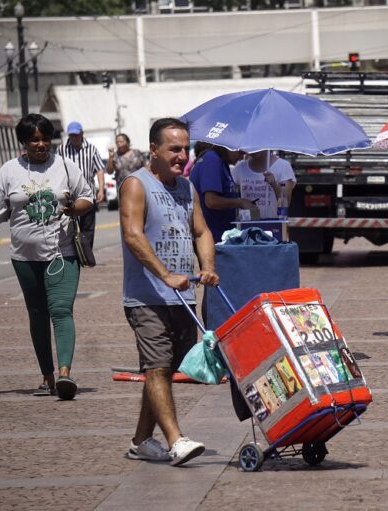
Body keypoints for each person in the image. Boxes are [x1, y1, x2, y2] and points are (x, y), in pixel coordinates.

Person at [120, 118, 219, 466]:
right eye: (173, 149)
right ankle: (176, 440)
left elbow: (202, 231)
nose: (181, 156)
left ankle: (141, 441)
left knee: (163, 369)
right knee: (159, 367)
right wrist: (165, 275)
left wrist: (206, 266)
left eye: (185, 149)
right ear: (154, 150)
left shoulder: (186, 187)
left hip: (183, 297)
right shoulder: (136, 184)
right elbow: (133, 235)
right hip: (146, 297)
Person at [0, 114, 93, 400]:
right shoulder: (9, 171)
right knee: (37, 315)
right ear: (24, 142)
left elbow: (87, 198)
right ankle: (47, 376)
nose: (41, 144)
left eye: (45, 138)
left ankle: (65, 374)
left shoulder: (65, 166)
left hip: (62, 253)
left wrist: (72, 208)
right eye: (34, 140)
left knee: (60, 310)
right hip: (24, 257)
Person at [189, 142, 258, 242]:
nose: (242, 157)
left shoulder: (221, 162)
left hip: (220, 235)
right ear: (229, 147)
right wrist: (240, 202)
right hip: (212, 237)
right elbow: (211, 201)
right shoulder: (212, 160)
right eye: (240, 152)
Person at [56, 121, 105, 249]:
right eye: (71, 135)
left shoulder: (92, 149)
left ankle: (86, 255)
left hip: (87, 194)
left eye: (76, 135)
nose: (74, 138)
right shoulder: (61, 149)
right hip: (68, 195)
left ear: (82, 134)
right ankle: (71, 253)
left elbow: (99, 169)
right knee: (67, 226)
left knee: (87, 228)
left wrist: (101, 189)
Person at [232, 150, 296, 219]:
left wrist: (274, 185)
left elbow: (286, 203)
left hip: (273, 224)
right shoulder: (240, 168)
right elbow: (230, 196)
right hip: (247, 225)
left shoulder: (283, 166)